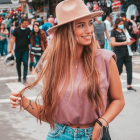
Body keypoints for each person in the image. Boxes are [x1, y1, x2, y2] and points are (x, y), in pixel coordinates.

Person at [10, 0, 125, 140]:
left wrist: (102, 122)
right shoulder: (52, 65)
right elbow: (49, 114)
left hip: (94, 135)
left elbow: (118, 100)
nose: (89, 30)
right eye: (81, 25)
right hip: (59, 135)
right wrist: (23, 101)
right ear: (66, 30)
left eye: (90, 23)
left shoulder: (105, 59)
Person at [111, 18, 136, 91]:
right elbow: (113, 43)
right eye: (120, 24)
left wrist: (129, 42)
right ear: (117, 24)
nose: (122, 25)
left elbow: (127, 40)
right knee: (119, 70)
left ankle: (129, 85)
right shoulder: (113, 32)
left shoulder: (123, 31)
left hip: (126, 52)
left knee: (129, 69)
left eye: (122, 24)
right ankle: (113, 85)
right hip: (118, 53)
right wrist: (123, 43)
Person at [9, 19, 31, 83]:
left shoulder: (28, 30)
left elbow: (31, 37)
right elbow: (13, 39)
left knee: (25, 63)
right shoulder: (16, 30)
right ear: (21, 23)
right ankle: (19, 76)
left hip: (25, 50)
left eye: (27, 23)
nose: (26, 25)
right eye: (25, 23)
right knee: (18, 64)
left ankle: (24, 77)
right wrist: (10, 48)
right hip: (18, 50)